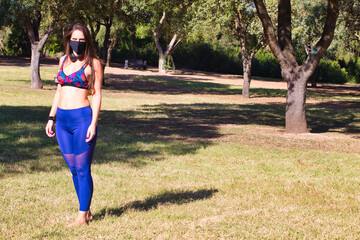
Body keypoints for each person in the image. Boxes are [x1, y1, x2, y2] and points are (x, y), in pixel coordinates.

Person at [45, 22, 103, 226]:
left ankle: (82, 215)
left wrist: (93, 123)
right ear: (68, 39)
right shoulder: (62, 60)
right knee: (74, 170)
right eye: (74, 39)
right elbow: (59, 91)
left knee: (83, 168)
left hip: (82, 120)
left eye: (81, 40)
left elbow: (95, 95)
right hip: (62, 121)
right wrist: (51, 118)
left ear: (87, 42)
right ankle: (86, 210)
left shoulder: (93, 63)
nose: (77, 43)